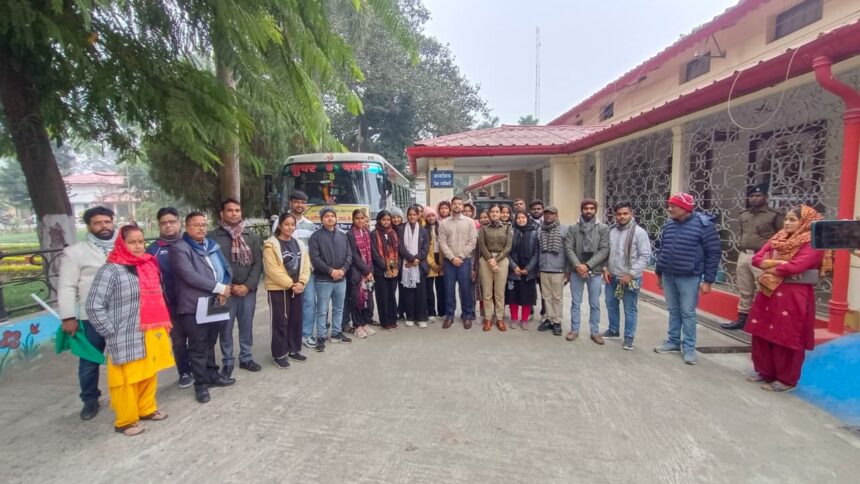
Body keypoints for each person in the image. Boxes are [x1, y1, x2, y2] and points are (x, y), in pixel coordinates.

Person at [86, 225, 174, 437]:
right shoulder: (110, 270)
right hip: (124, 334)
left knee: (148, 373)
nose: (138, 246)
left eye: (140, 242)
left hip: (150, 330)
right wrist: (109, 331)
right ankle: (125, 420)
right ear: (121, 244)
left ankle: (146, 408)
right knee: (126, 380)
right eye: (132, 242)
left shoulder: (147, 264)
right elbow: (94, 305)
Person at [746, 206, 831, 392]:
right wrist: (779, 263)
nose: (787, 223)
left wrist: (769, 266)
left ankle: (786, 379)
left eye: (793, 220)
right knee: (762, 331)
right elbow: (756, 259)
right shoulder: (779, 238)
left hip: (793, 295)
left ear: (805, 222)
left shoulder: (813, 243)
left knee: (786, 335)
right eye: (786, 219)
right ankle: (765, 371)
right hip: (769, 291)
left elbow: (796, 267)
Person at [170, 212, 235, 403]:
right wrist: (219, 288)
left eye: (204, 225)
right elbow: (189, 275)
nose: (201, 228)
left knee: (211, 341)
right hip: (194, 305)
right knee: (198, 345)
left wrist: (224, 289)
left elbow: (225, 268)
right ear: (187, 227)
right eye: (196, 225)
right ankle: (201, 385)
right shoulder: (180, 248)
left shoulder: (211, 245)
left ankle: (213, 375)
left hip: (216, 301)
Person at [58, 206, 115, 420]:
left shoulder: (124, 246)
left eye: (107, 221)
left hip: (121, 314)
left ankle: (128, 392)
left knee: (125, 356)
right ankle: (90, 399)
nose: (103, 226)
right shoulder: (75, 252)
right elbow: (66, 286)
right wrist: (68, 317)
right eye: (97, 223)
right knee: (89, 360)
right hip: (91, 317)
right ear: (89, 226)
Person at [653, 193, 721, 365]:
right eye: (669, 205)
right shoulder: (669, 225)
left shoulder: (704, 225)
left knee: (688, 312)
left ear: (685, 208)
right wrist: (659, 273)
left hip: (689, 277)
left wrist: (708, 281)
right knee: (673, 310)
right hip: (668, 275)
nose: (669, 209)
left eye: (673, 206)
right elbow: (663, 250)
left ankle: (689, 348)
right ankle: (673, 341)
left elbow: (713, 254)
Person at [210, 198, 263, 376]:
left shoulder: (250, 236)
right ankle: (227, 361)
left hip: (247, 291)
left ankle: (246, 358)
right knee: (225, 327)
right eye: (230, 210)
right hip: (225, 291)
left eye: (237, 210)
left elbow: (257, 263)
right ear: (222, 213)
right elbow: (212, 265)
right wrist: (227, 286)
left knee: (246, 325)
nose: (234, 213)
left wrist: (248, 285)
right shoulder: (213, 237)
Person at [721, 184, 784, 330]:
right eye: (752, 196)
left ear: (765, 197)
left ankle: (766, 321)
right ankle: (742, 319)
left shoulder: (774, 215)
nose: (754, 198)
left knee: (765, 289)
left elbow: (782, 237)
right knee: (745, 289)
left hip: (763, 257)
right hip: (744, 255)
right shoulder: (744, 215)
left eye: (758, 195)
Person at [145, 207, 192, 388]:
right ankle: (184, 372)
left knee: (198, 337)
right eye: (164, 223)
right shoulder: (153, 250)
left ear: (179, 222)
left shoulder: (190, 242)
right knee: (178, 340)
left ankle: (199, 367)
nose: (168, 225)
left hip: (193, 301)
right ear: (159, 225)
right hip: (170, 304)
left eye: (172, 222)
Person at [263, 212, 311, 369]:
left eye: (292, 225)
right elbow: (273, 270)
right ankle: (279, 354)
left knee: (296, 319)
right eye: (286, 224)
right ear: (280, 225)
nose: (290, 227)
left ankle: (294, 349)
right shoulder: (271, 244)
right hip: (279, 289)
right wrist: (291, 284)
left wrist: (302, 282)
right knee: (280, 321)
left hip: (297, 288)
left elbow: (305, 265)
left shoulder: (299, 243)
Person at [601, 202, 652, 350]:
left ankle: (629, 338)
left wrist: (631, 274)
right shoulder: (612, 231)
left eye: (625, 213)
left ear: (631, 214)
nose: (622, 217)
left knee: (629, 309)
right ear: (615, 215)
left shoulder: (639, 233)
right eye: (619, 214)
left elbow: (645, 256)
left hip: (630, 278)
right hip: (612, 276)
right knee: (611, 304)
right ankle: (613, 330)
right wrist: (605, 268)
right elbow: (606, 251)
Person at [564, 198, 610, 344]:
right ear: (582, 210)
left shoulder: (603, 228)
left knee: (594, 304)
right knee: (575, 303)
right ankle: (574, 330)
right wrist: (578, 266)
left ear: (595, 210)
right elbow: (568, 248)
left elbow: (604, 250)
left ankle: (595, 332)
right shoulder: (573, 228)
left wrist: (588, 265)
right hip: (576, 271)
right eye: (586, 208)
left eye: (591, 208)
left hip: (595, 272)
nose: (588, 211)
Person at [308, 207, 353, 351]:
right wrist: (330, 271)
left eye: (332, 216)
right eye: (326, 216)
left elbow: (349, 255)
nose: (330, 218)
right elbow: (315, 258)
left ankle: (336, 333)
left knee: (339, 308)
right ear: (321, 219)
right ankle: (321, 336)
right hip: (324, 279)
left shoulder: (343, 236)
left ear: (336, 218)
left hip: (341, 279)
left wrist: (343, 270)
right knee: (322, 309)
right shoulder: (316, 236)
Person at [438, 196, 479, 329]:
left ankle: (467, 316)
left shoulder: (470, 222)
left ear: (462, 206)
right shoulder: (444, 223)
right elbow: (442, 243)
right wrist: (452, 258)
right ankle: (449, 316)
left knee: (466, 290)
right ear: (451, 206)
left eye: (459, 204)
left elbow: (472, 242)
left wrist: (460, 256)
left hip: (464, 261)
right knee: (449, 290)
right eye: (454, 204)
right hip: (449, 262)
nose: (457, 206)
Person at [478, 205, 513, 331]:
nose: (494, 213)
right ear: (489, 213)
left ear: (500, 213)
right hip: (485, 260)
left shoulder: (507, 227)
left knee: (499, 292)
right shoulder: (483, 228)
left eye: (497, 211)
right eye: (492, 211)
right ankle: (488, 318)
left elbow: (508, 246)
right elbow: (481, 245)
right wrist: (490, 260)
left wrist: (496, 260)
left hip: (501, 260)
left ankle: (499, 318)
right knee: (487, 292)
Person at [345, 209, 376, 338]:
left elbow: (370, 253)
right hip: (357, 272)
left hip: (368, 272)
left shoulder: (367, 232)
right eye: (357, 218)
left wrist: (370, 271)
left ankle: (365, 323)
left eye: (362, 218)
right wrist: (366, 271)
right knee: (357, 300)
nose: (360, 221)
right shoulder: (350, 234)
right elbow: (354, 255)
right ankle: (357, 325)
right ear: (353, 220)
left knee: (368, 300)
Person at [537, 206, 569, 336]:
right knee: (546, 296)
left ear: (557, 215)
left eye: (551, 214)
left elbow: (568, 250)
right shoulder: (540, 229)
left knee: (557, 297)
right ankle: (549, 319)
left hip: (558, 269)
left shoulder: (564, 229)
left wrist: (567, 270)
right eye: (546, 213)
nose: (548, 216)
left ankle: (557, 321)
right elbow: (538, 249)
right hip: (544, 268)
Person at [398, 206, 430, 328]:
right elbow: (400, 247)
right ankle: (410, 316)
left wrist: (417, 259)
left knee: (421, 293)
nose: (412, 217)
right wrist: (412, 259)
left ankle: (421, 317)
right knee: (408, 292)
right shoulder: (401, 229)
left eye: (414, 214)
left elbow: (425, 248)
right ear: (407, 216)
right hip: (406, 265)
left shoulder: (423, 230)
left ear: (418, 216)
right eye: (410, 214)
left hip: (420, 266)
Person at [507, 211, 539, 330]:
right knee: (513, 296)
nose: (521, 220)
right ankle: (514, 318)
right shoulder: (511, 232)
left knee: (527, 297)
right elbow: (507, 251)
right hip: (514, 270)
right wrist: (514, 267)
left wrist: (528, 268)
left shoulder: (534, 233)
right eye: (518, 218)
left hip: (528, 271)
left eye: (523, 217)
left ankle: (524, 319)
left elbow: (536, 253)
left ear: (527, 219)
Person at [371, 210, 400, 330]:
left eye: (388, 220)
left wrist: (394, 267)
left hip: (393, 270)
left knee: (391, 295)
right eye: (384, 220)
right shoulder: (374, 234)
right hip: (380, 270)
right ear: (379, 220)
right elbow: (374, 253)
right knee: (382, 296)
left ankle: (393, 319)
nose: (386, 222)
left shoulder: (393, 233)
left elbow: (397, 251)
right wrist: (385, 267)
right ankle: (385, 322)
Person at [423, 207, 445, 322]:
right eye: (428, 216)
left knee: (441, 289)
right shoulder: (423, 230)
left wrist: (442, 263)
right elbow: (423, 249)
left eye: (433, 215)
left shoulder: (442, 227)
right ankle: (431, 312)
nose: (431, 218)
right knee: (429, 290)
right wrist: (432, 263)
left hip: (441, 259)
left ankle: (442, 312)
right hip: (429, 260)